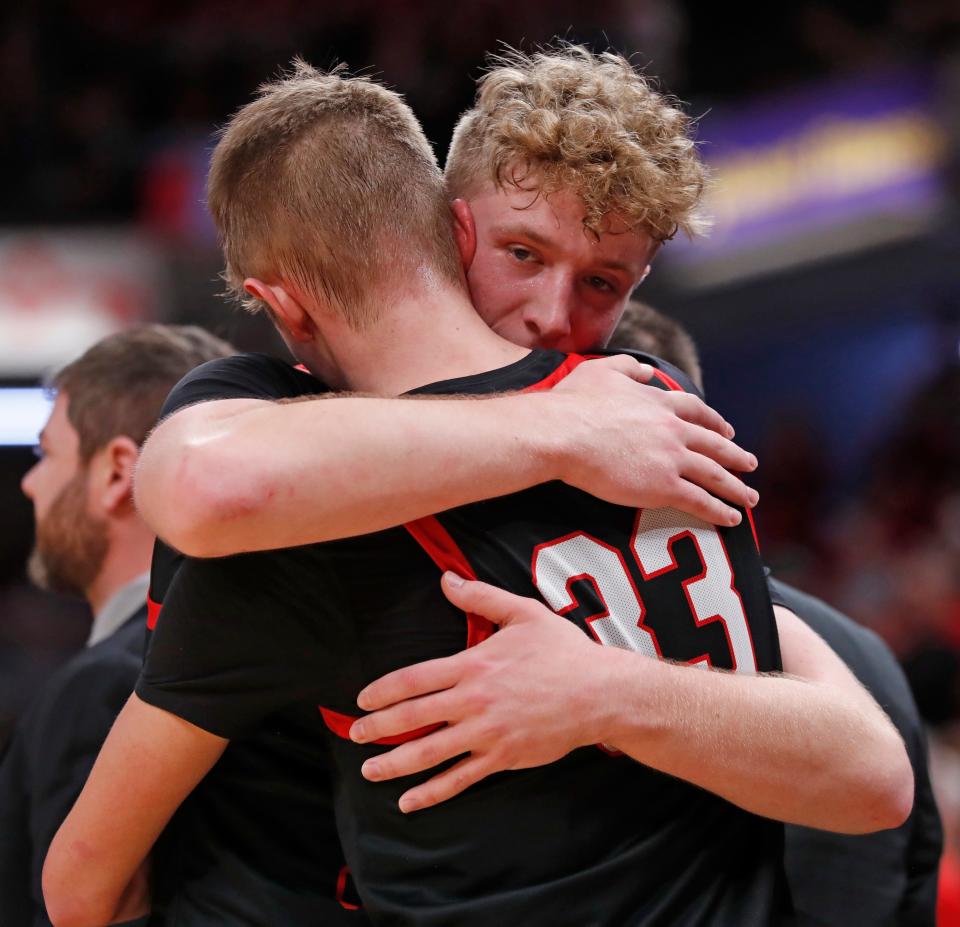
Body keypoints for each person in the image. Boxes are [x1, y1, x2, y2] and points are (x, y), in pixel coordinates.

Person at [46, 55, 909, 926]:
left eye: (601, 283)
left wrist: (606, 693)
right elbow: (200, 483)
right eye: (522, 253)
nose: (549, 314)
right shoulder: (626, 411)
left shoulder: (647, 421)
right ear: (447, 231)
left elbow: (876, 779)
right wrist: (559, 430)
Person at [0, 325, 233, 927]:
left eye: (45, 453)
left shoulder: (114, 685)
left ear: (116, 473)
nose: (29, 482)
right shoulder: (251, 650)